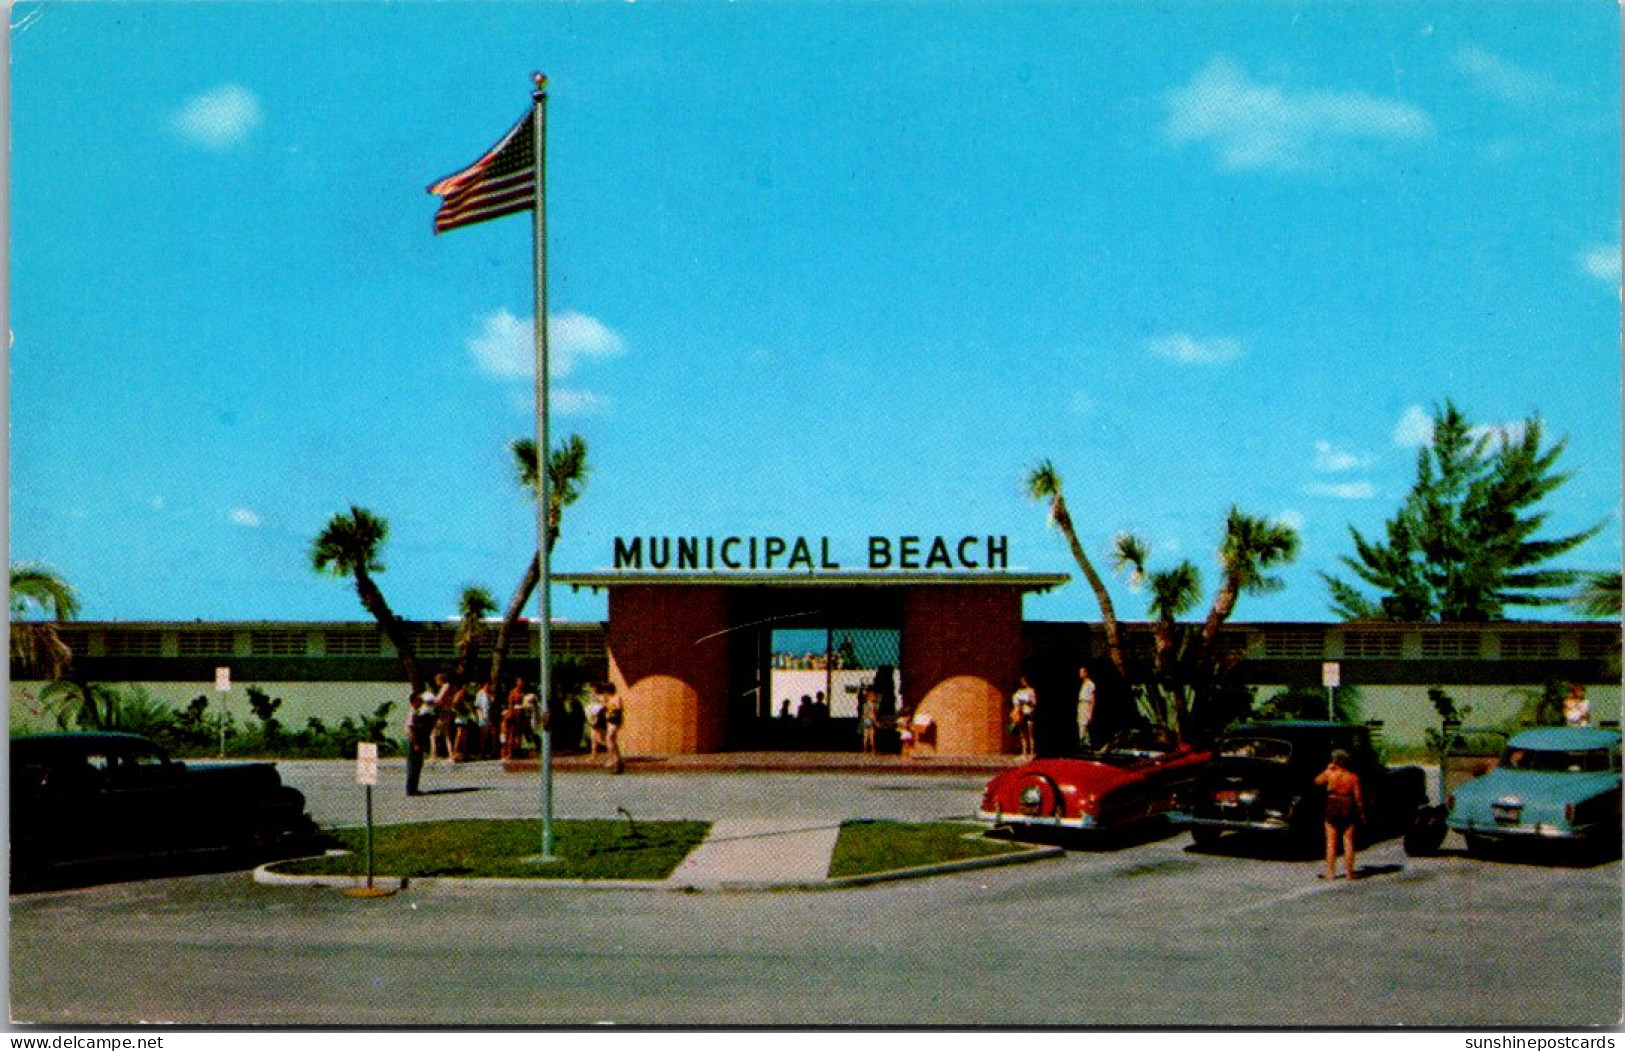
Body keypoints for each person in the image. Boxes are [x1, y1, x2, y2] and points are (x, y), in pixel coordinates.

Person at [1315, 748, 1366, 880]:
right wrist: (1361, 813)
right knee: (1348, 841)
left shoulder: (1330, 774)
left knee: (1331, 842)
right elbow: (1358, 798)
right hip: (1347, 804)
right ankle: (1349, 873)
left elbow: (1317, 781)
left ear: (1334, 761)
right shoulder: (1353, 777)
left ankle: (1330, 873)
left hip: (1332, 803)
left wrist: (1328, 769)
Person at [403, 691, 435, 796]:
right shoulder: (413, 712)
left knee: (418, 764)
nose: (421, 702)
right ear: (413, 702)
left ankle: (414, 787)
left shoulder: (417, 712)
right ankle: (411, 789)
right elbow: (411, 729)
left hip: (417, 740)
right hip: (414, 740)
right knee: (413, 764)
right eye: (418, 700)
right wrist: (415, 743)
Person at [600, 683, 625, 774]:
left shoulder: (617, 697)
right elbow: (605, 708)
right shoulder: (608, 699)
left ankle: (613, 759)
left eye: (605, 691)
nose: (605, 693)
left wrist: (610, 707)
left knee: (609, 738)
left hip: (615, 720)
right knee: (611, 740)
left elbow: (619, 708)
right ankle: (618, 759)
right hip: (610, 720)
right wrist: (604, 704)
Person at [1011, 676, 1037, 757]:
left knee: (1030, 733)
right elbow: (1015, 702)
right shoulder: (1019, 692)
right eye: (1021, 681)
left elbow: (1034, 703)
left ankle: (1032, 752)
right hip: (1021, 713)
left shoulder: (1031, 691)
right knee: (1023, 734)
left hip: (1029, 713)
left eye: (1024, 681)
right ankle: (1024, 752)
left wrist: (1027, 701)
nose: (1023, 683)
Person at [1076, 666, 1097, 752]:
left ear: (1086, 673)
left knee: (1084, 726)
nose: (1080, 674)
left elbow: (1092, 699)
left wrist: (1091, 712)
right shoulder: (1083, 684)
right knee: (1081, 725)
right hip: (1081, 705)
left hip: (1086, 705)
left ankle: (1085, 745)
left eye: (1081, 672)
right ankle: (1085, 746)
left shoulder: (1090, 684)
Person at [859, 688, 880, 755]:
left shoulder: (865, 705)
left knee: (865, 736)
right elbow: (872, 714)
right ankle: (873, 750)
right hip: (870, 720)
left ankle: (865, 750)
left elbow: (864, 714)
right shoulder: (873, 705)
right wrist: (876, 722)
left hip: (865, 720)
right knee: (871, 736)